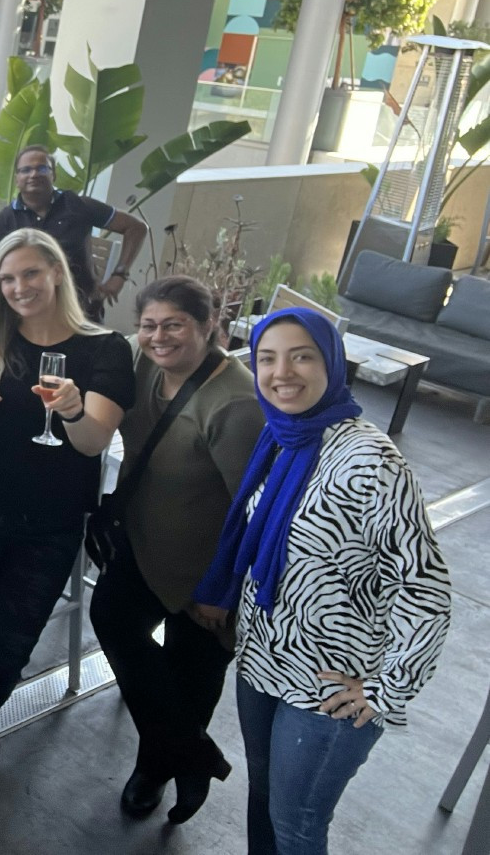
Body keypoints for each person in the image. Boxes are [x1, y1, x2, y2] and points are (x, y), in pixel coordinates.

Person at [191, 308, 451, 855]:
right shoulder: (282, 437)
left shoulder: (371, 460)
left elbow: (424, 588)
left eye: (302, 355)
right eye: (267, 358)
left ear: (331, 364)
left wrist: (386, 689)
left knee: (297, 824)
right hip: (264, 661)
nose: (282, 372)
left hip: (331, 686)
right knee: (262, 797)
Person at [0, 228, 133, 811]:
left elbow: (94, 440)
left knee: (12, 644)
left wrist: (72, 407)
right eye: (7, 278)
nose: (19, 287)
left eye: (29, 274)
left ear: (55, 274)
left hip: (51, 523)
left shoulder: (106, 348)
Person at [87, 277, 265, 823]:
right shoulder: (142, 365)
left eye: (174, 325)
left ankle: (156, 767)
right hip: (144, 544)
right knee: (113, 619)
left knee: (194, 676)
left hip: (207, 567)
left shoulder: (234, 402)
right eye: (148, 325)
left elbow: (251, 515)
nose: (158, 337)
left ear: (210, 326)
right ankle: (189, 755)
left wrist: (221, 590)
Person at [0, 145, 149, 322]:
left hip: (82, 309)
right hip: (29, 314)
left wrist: (120, 275)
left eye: (42, 168)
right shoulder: (4, 220)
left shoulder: (78, 206)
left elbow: (136, 227)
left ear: (54, 175)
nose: (34, 174)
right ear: (17, 179)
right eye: (26, 170)